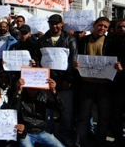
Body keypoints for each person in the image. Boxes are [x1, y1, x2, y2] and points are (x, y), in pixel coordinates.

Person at [75, 17, 122, 147]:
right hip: (86, 83)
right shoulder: (82, 41)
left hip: (104, 86)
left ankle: (100, 142)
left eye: (105, 27)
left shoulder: (111, 43)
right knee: (84, 115)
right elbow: (75, 56)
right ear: (94, 25)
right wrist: (75, 64)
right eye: (100, 25)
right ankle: (81, 142)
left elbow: (117, 60)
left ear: (108, 29)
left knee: (103, 117)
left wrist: (118, 67)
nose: (102, 28)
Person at [35, 14, 77, 146]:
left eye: (56, 23)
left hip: (64, 83)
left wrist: (68, 79)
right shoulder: (42, 40)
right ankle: (48, 136)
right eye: (51, 23)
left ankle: (65, 136)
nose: (54, 26)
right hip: (46, 81)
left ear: (62, 24)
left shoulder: (70, 39)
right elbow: (37, 58)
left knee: (66, 112)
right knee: (47, 112)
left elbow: (73, 61)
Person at [12, 78, 65, 147]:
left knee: (59, 145)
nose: (31, 92)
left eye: (34, 89)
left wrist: (54, 92)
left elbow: (61, 108)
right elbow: (12, 110)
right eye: (29, 89)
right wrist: (18, 93)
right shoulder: (21, 97)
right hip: (25, 133)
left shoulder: (43, 97)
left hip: (41, 132)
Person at [107, 18, 125, 147]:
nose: (122, 29)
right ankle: (118, 138)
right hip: (116, 86)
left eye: (124, 27)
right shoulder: (112, 43)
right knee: (116, 114)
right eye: (119, 27)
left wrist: (123, 70)